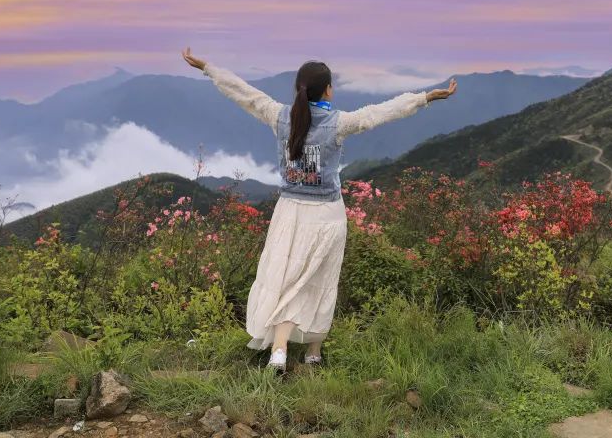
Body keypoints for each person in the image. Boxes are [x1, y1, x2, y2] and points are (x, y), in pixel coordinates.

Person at [181, 48, 457, 371]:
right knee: (321, 279)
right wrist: (425, 98)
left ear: (298, 88)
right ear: (327, 90)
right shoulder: (337, 123)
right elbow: (379, 112)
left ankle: (280, 351)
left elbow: (246, 95)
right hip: (326, 214)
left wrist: (209, 68)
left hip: (289, 213)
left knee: (286, 280)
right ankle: (313, 353)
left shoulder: (280, 116)